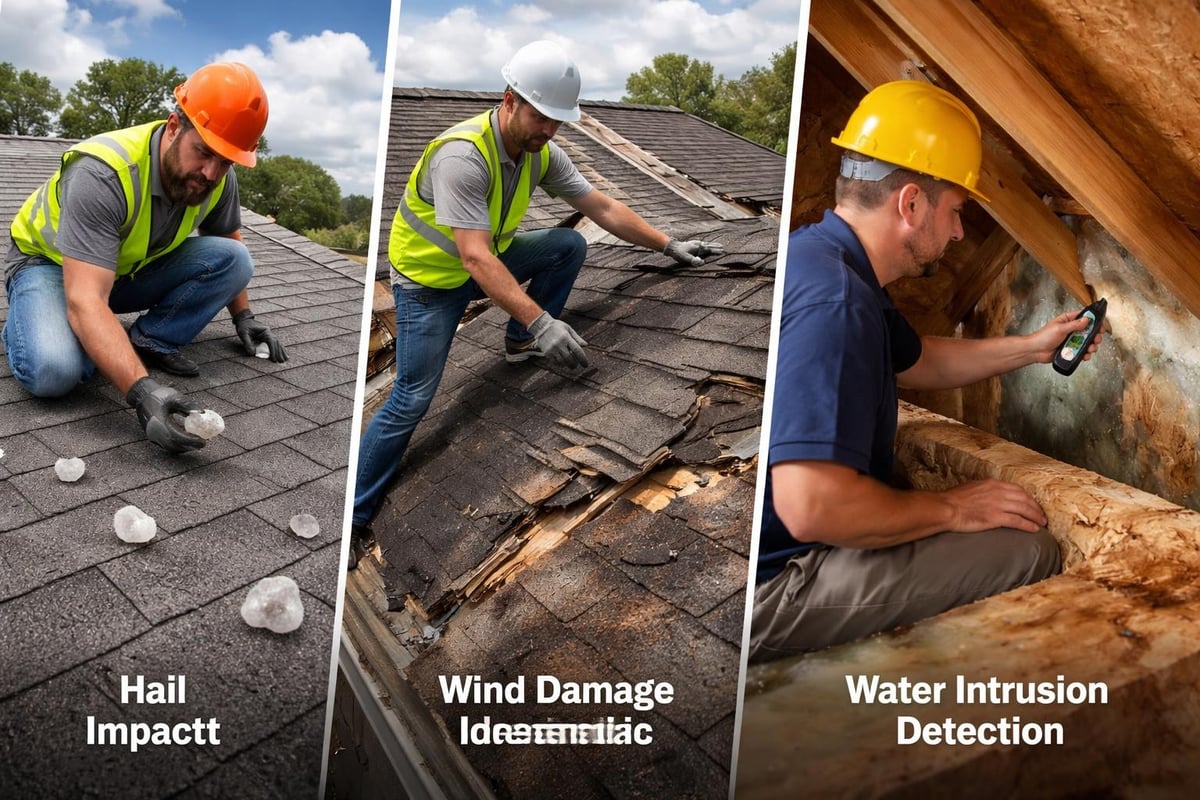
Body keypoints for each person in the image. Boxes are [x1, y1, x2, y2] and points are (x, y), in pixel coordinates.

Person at [749, 80, 1102, 662]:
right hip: (772, 585)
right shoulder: (837, 305)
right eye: (956, 211)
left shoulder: (823, 257)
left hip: (786, 543)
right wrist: (954, 508)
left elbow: (918, 361)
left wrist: (1033, 348)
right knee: (1026, 552)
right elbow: (811, 505)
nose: (960, 232)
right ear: (911, 204)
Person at [349, 40, 723, 568]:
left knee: (568, 245)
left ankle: (520, 344)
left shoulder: (540, 151)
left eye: (558, 121)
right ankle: (355, 516)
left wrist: (667, 243)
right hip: (430, 286)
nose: (549, 130)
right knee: (412, 396)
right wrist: (541, 318)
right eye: (542, 116)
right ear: (509, 100)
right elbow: (475, 258)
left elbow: (602, 205)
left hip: (484, 263)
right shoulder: (463, 156)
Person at [3, 61, 286, 454]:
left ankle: (149, 339)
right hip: (49, 265)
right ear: (174, 127)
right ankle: (34, 322)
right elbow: (86, 298)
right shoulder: (104, 174)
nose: (210, 172)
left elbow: (226, 237)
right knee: (56, 370)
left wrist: (244, 316)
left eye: (226, 161)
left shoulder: (219, 174)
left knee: (236, 258)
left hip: (122, 270)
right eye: (203, 152)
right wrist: (143, 392)